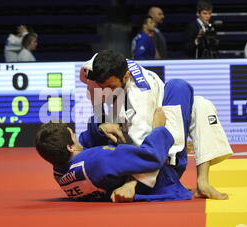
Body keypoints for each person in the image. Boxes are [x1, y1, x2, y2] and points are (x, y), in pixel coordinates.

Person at [81, 50, 232, 199]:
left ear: (126, 76)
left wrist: (130, 184)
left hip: (162, 155)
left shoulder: (139, 100)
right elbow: (85, 72)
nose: (106, 92)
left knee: (199, 104)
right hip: (125, 126)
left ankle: (199, 181)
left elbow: (147, 153)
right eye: (102, 87)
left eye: (111, 87)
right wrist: (95, 93)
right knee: (198, 102)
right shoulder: (102, 65)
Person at [35, 107, 193, 202]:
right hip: (164, 181)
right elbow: (151, 157)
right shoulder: (99, 160)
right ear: (70, 147)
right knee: (177, 89)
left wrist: (100, 128)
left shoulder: (59, 170)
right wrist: (158, 129)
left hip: (114, 182)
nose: (77, 136)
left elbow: (85, 141)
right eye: (73, 135)